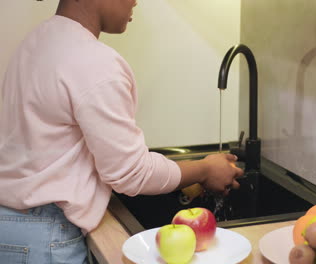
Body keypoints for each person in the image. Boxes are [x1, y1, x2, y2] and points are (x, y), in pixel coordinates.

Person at [0, 0, 244, 263]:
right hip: (46, 237)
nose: (136, 1)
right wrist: (205, 169)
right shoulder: (92, 61)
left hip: (13, 226)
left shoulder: (37, 41)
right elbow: (130, 173)